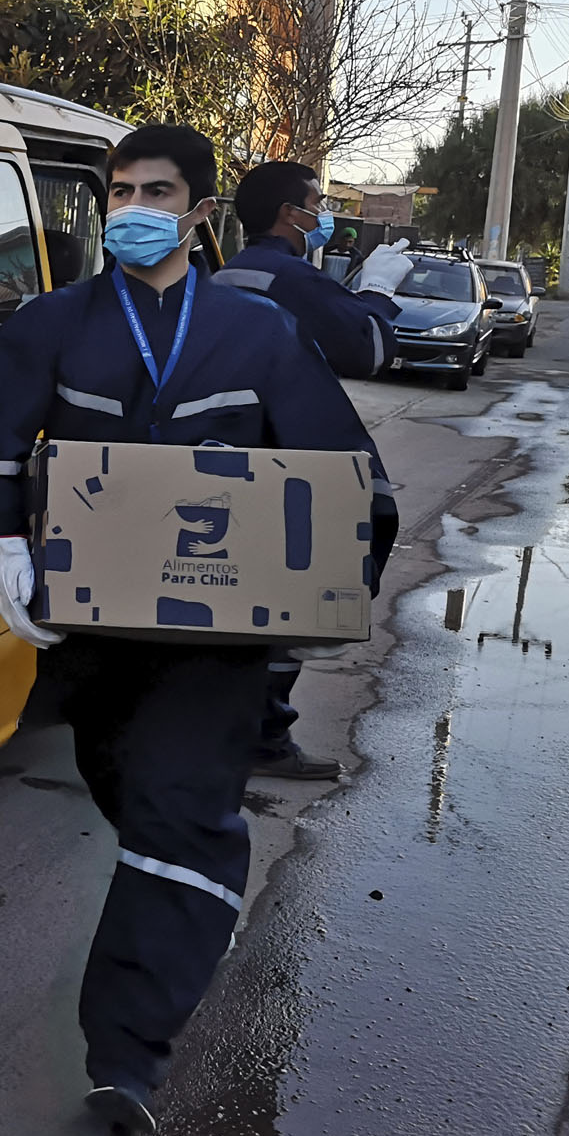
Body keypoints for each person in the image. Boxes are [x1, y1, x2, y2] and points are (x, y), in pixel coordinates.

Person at [0, 125, 383, 1136]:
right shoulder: (50, 328)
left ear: (196, 211)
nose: (132, 211)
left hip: (211, 646)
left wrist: (331, 590)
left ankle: (128, 1053)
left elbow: (346, 474)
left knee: (180, 810)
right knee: (130, 787)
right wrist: (2, 546)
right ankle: (187, 900)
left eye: (155, 193)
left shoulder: (258, 341)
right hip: (94, 644)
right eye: (119, 192)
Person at [218, 162, 411, 781]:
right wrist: (378, 290)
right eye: (315, 204)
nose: (322, 215)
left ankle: (227, 726)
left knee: (240, 598)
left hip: (229, 457)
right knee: (289, 602)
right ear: (288, 214)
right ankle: (263, 738)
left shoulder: (226, 271)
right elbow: (370, 348)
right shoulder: (289, 277)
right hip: (289, 464)